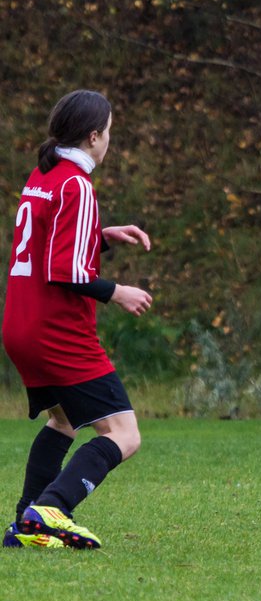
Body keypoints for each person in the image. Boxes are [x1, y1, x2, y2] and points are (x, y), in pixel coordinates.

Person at [1, 89, 153, 549]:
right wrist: (119, 292)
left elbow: (48, 247)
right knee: (124, 434)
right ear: (92, 137)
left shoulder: (44, 175)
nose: (110, 141)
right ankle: (51, 511)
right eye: (108, 133)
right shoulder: (77, 185)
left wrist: (99, 237)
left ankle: (23, 526)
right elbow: (64, 271)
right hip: (57, 332)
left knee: (63, 421)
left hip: (20, 325)